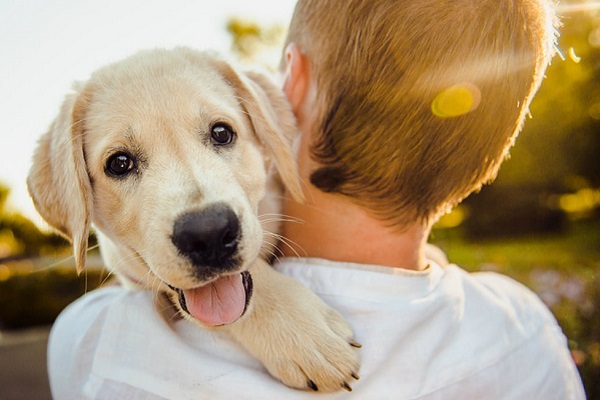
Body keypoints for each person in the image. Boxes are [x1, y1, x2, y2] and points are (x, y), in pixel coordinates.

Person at [48, 0, 586, 398]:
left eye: (220, 134)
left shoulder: (97, 346)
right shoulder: (527, 333)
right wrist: (258, 306)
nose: (203, 211)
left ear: (289, 90)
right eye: (122, 164)